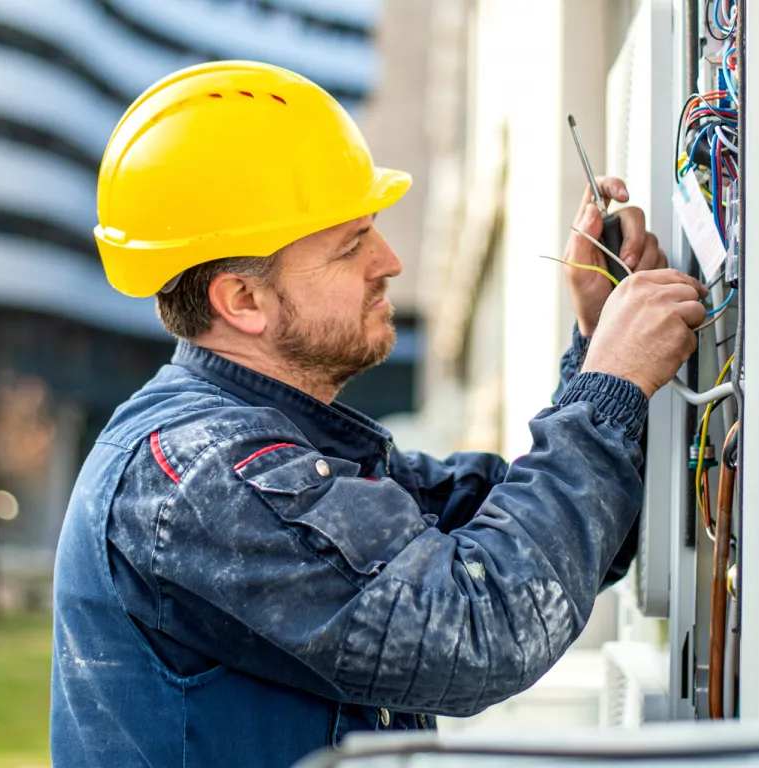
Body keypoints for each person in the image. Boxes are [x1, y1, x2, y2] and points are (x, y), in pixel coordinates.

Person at [51, 61, 706, 768]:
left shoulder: (280, 444)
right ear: (242, 301)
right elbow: (486, 625)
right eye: (350, 245)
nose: (389, 261)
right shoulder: (199, 475)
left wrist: (597, 342)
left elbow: (557, 542)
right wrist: (607, 385)